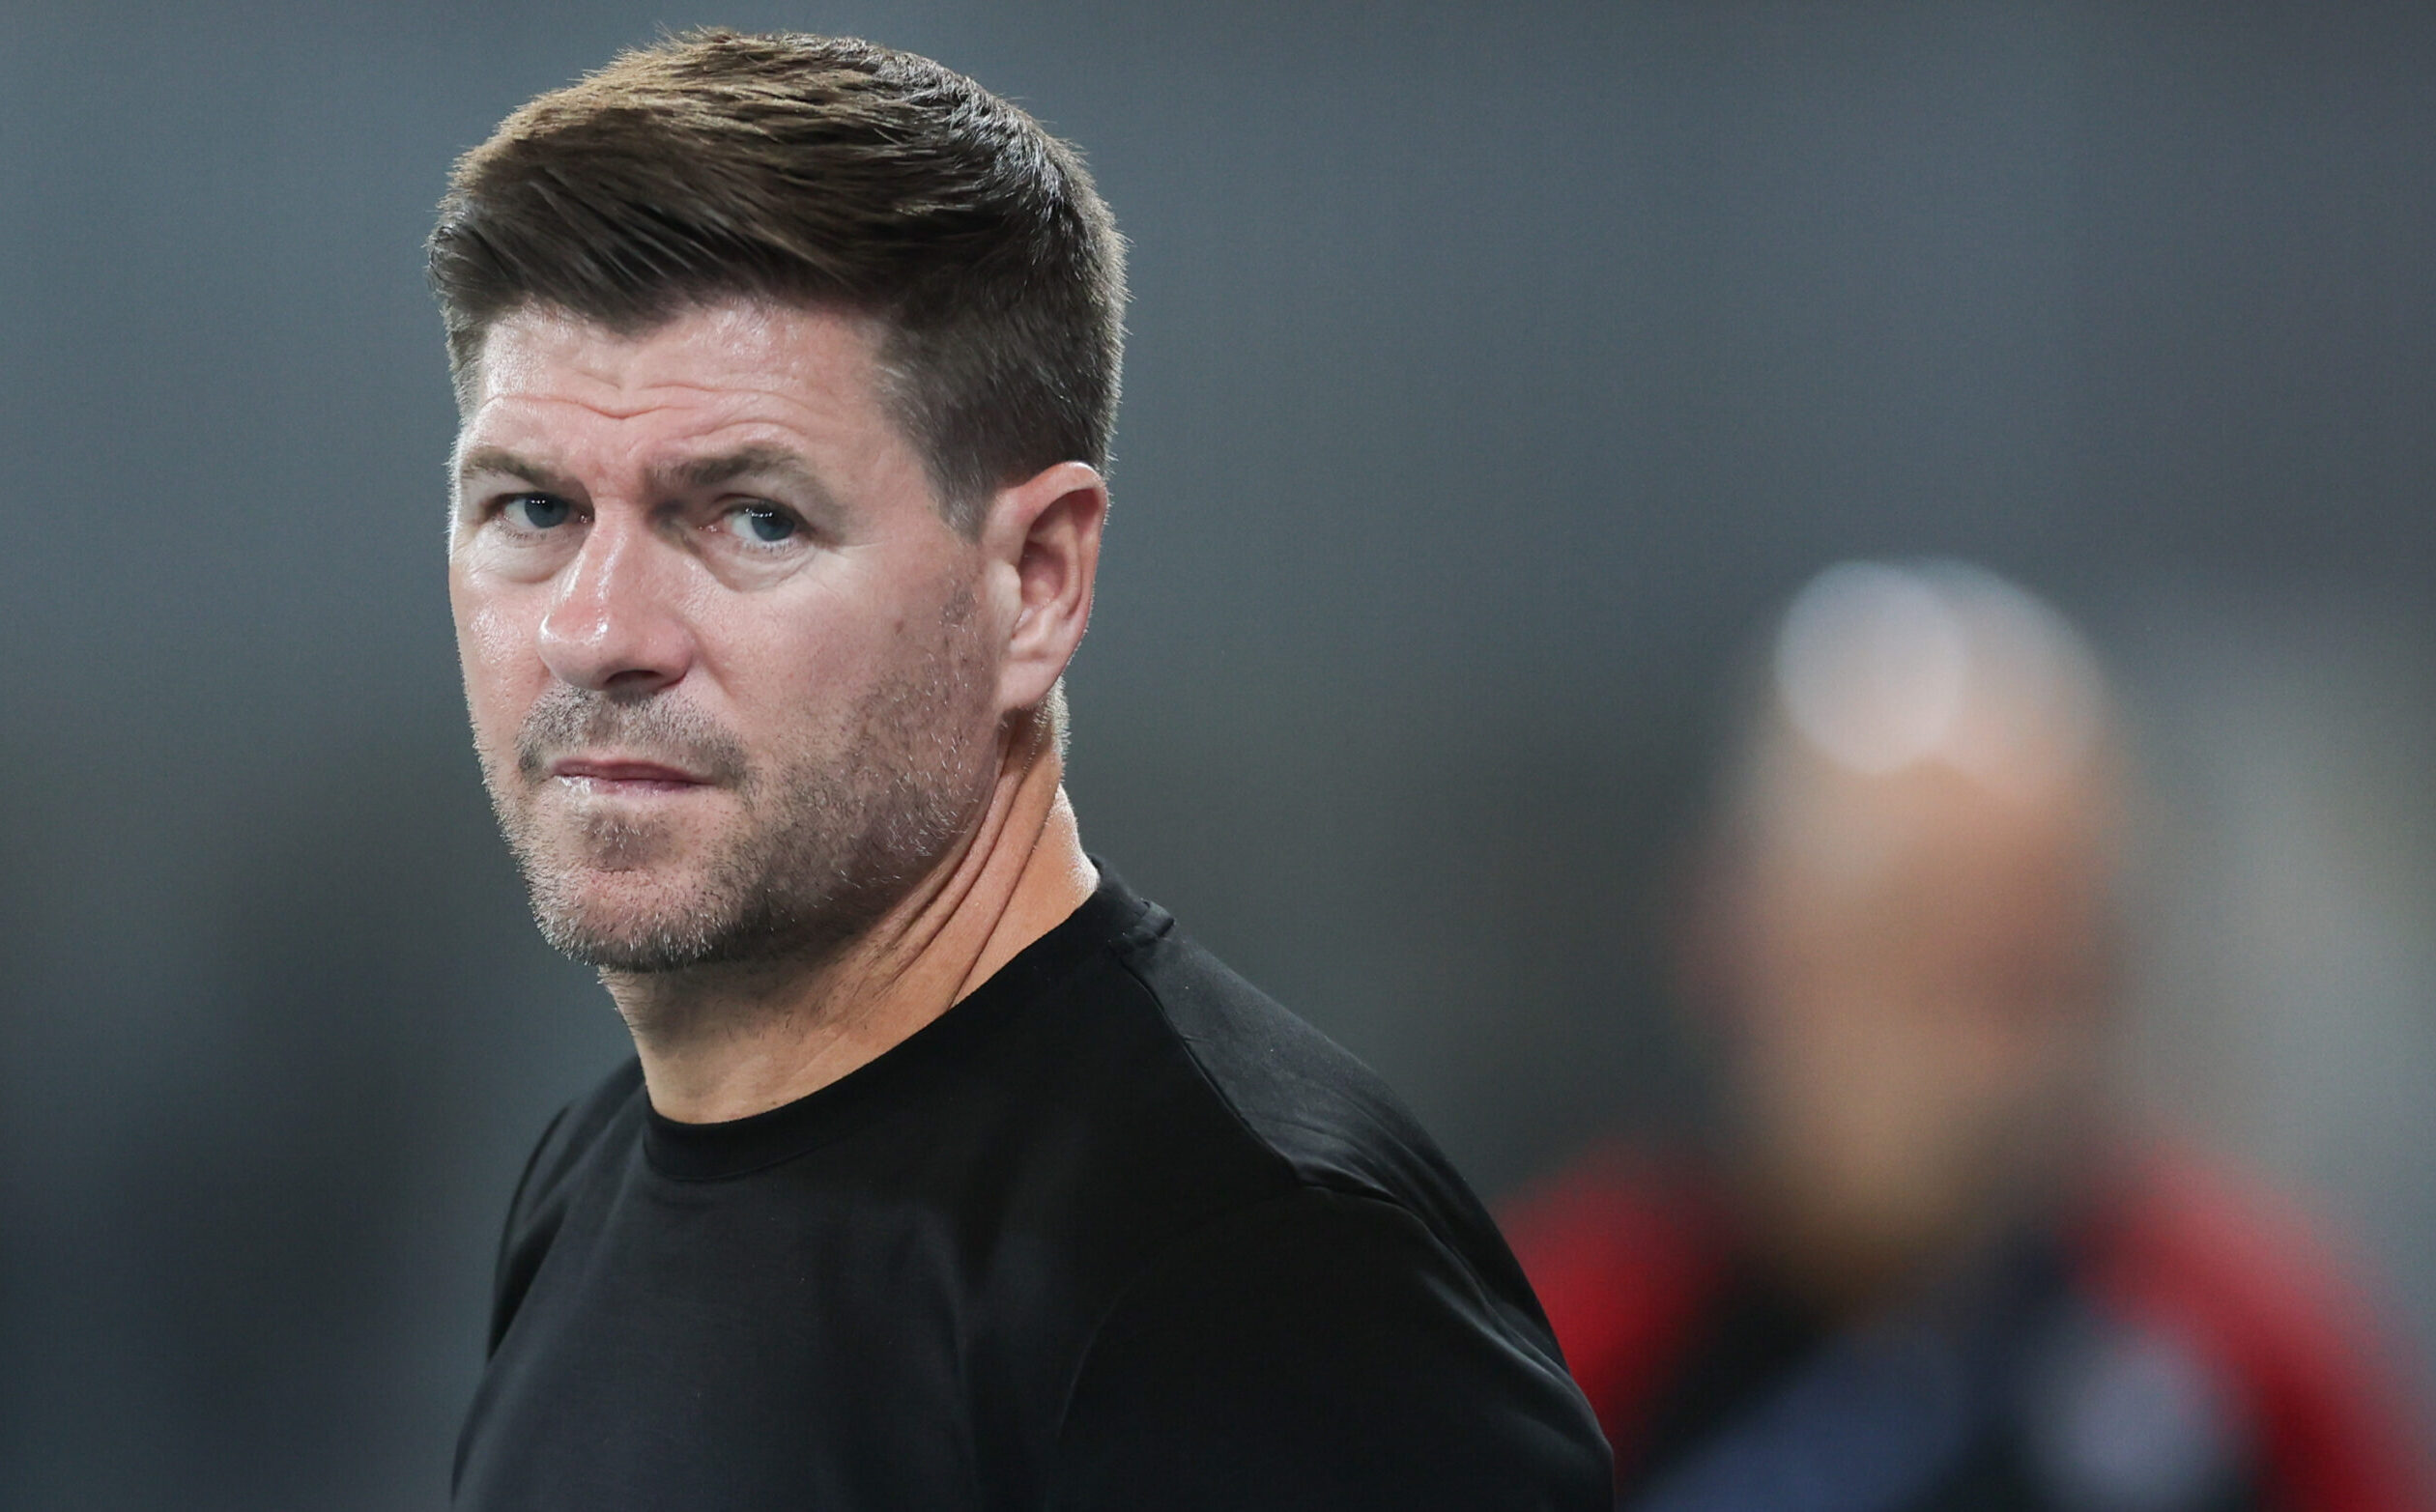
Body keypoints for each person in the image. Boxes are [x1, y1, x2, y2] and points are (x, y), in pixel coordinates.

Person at [430, 28, 1607, 1512]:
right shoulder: (587, 1185)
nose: (599, 633)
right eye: (532, 507)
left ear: (1036, 583)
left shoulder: (1248, 1278)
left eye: (752, 518)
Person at [1503, 560, 2432, 1511]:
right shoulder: (1561, 1347)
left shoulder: (2250, 1354)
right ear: (1736, 935)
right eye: (1906, 940)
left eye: (2031, 971)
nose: (1981, 1057)